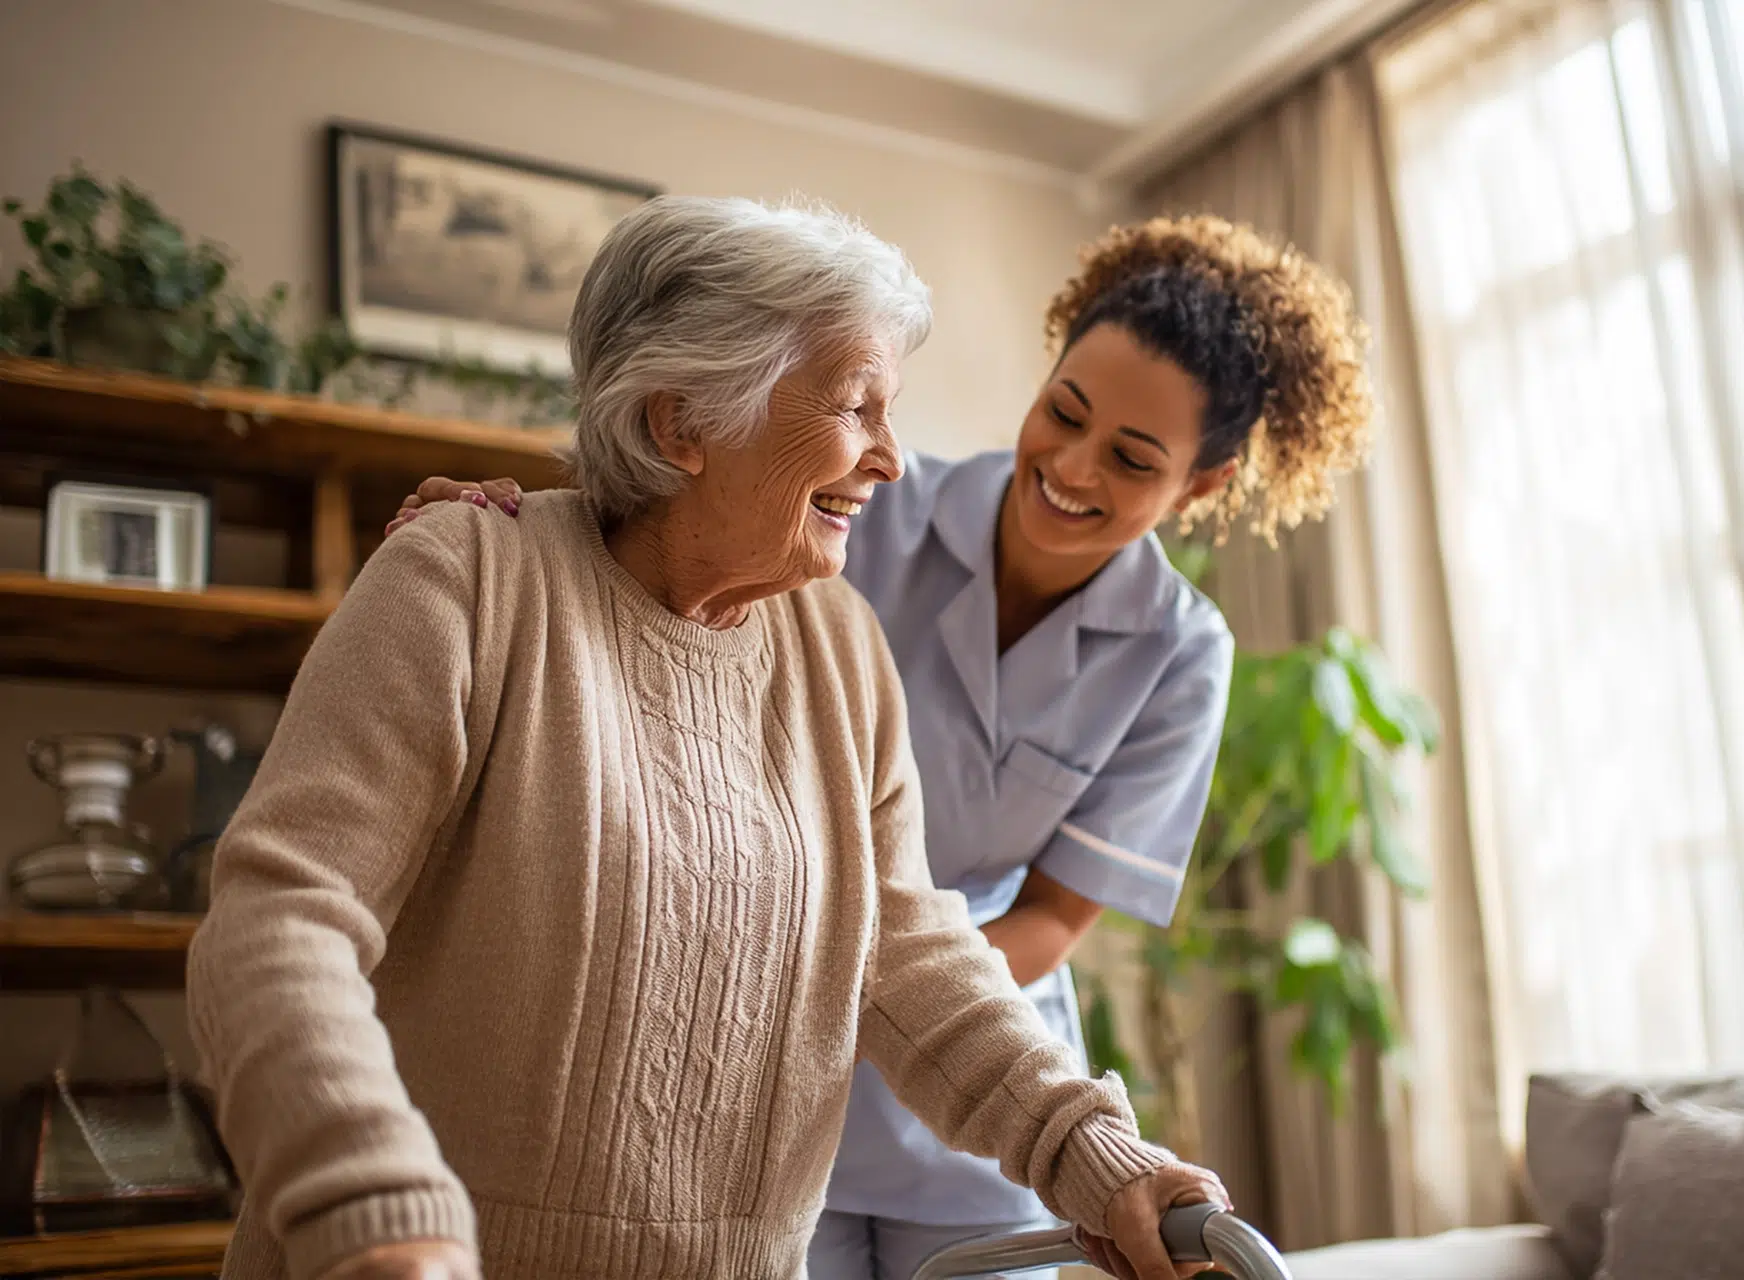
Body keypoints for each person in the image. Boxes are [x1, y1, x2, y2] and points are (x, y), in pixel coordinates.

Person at [188, 195, 1233, 1280]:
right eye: (855, 408)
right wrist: (374, 1208)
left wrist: (1092, 1150)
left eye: (893, 412)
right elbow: (282, 918)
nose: (888, 459)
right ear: (680, 423)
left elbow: (913, 951)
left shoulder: (842, 646)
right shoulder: (465, 577)